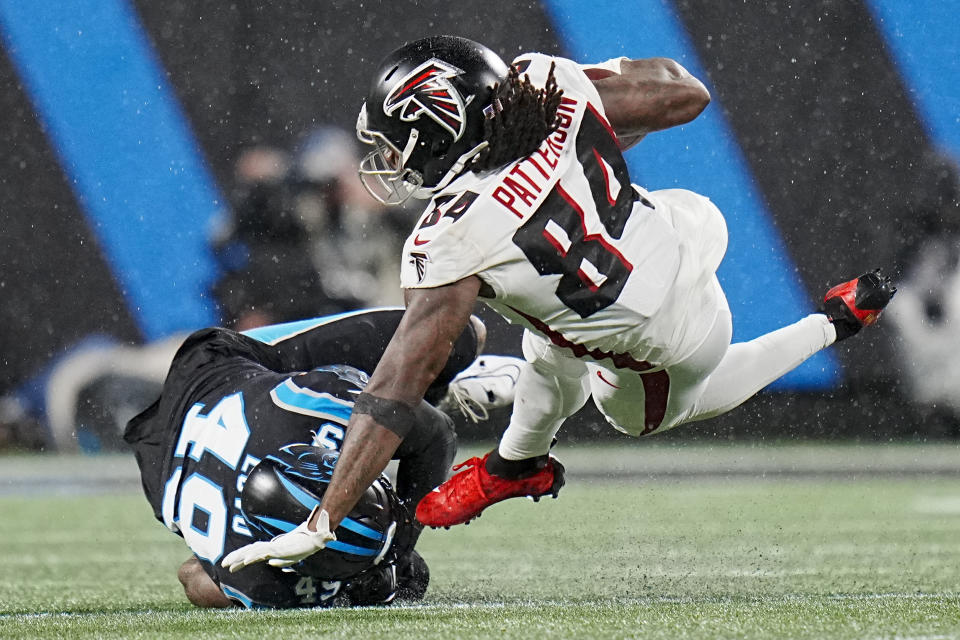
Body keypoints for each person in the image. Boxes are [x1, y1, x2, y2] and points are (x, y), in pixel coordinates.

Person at [220, 35, 896, 571]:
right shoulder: (547, 86)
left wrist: (323, 517)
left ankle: (827, 325)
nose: (391, 162)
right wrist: (576, 96)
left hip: (668, 342)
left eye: (397, 143)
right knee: (549, 331)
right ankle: (517, 459)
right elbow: (685, 94)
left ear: (439, 130)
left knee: (575, 362)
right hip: (684, 231)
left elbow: (396, 386)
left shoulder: (451, 236)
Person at [124, 307, 501, 608]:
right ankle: (428, 385)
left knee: (457, 333)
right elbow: (194, 577)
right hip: (163, 465)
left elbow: (435, 432)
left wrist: (401, 550)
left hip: (216, 368)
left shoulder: (309, 405)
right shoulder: (257, 578)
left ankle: (439, 385)